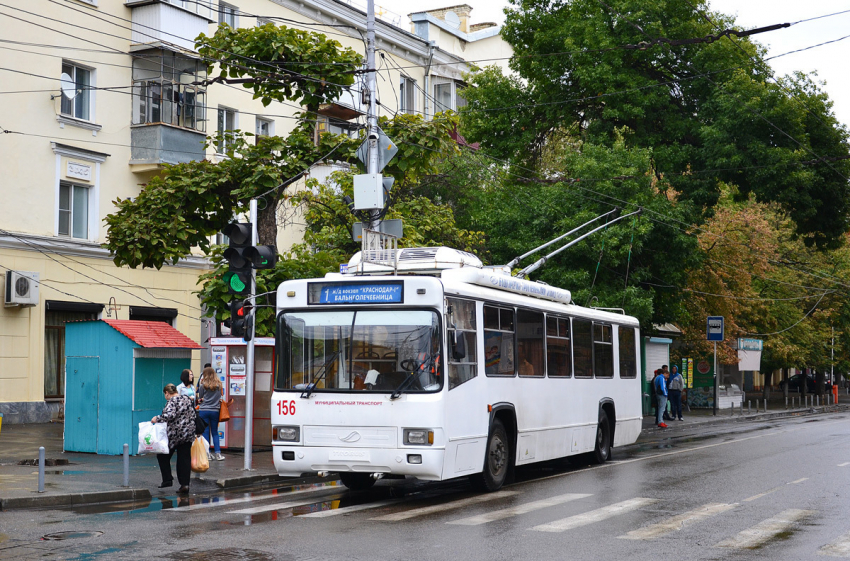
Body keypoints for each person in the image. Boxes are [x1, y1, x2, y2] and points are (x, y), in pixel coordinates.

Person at [152, 383, 196, 494]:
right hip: (189, 433)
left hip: (175, 435)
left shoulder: (172, 401)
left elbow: (169, 415)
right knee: (184, 459)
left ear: (167, 393)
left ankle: (167, 479)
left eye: (165, 395)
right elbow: (194, 415)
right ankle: (184, 485)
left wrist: (157, 418)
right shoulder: (186, 399)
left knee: (162, 455)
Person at [197, 367, 224, 461]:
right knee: (215, 432)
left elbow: (200, 397)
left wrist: (202, 400)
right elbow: (220, 397)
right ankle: (218, 454)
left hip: (203, 410)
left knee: (205, 432)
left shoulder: (203, 386)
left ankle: (207, 454)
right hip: (215, 411)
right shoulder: (219, 385)